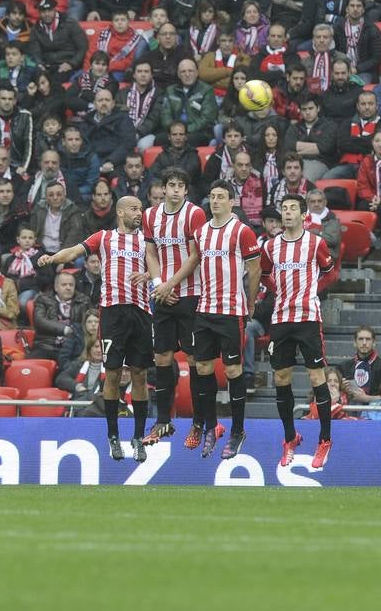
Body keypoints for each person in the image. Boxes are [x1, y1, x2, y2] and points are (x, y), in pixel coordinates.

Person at [40, 196, 158, 462]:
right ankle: (113, 436)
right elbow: (74, 251)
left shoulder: (147, 241)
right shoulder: (104, 237)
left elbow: (162, 268)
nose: (139, 213)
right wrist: (52, 258)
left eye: (141, 209)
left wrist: (149, 276)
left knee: (139, 374)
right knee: (113, 374)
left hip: (141, 312)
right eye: (134, 209)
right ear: (120, 212)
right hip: (113, 313)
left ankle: (138, 438)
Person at [183, 180, 260, 459]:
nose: (215, 201)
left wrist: (249, 304)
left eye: (221, 197)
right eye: (212, 196)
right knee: (202, 368)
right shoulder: (201, 232)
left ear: (232, 201)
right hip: (204, 309)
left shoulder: (242, 232)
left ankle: (237, 430)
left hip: (231, 311)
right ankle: (212, 427)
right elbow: (194, 263)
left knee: (232, 371)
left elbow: (254, 269)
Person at [262, 193, 337, 469]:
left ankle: (325, 439)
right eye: (284, 208)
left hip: (307, 317)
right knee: (281, 377)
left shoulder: (315, 242)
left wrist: (311, 292)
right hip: (281, 319)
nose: (288, 212)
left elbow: (331, 272)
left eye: (293, 208)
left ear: (304, 215)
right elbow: (265, 274)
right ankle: (290, 437)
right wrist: (279, 291)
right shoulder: (271, 247)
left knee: (316, 375)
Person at [140, 168, 207, 445]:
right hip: (162, 295)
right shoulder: (150, 215)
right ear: (164, 189)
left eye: (181, 185)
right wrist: (158, 285)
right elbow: (151, 252)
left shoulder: (194, 214)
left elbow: (195, 256)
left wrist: (170, 284)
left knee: (194, 360)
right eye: (171, 185)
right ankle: (163, 421)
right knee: (162, 358)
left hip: (190, 294)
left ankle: (198, 422)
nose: (176, 190)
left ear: (186, 190)